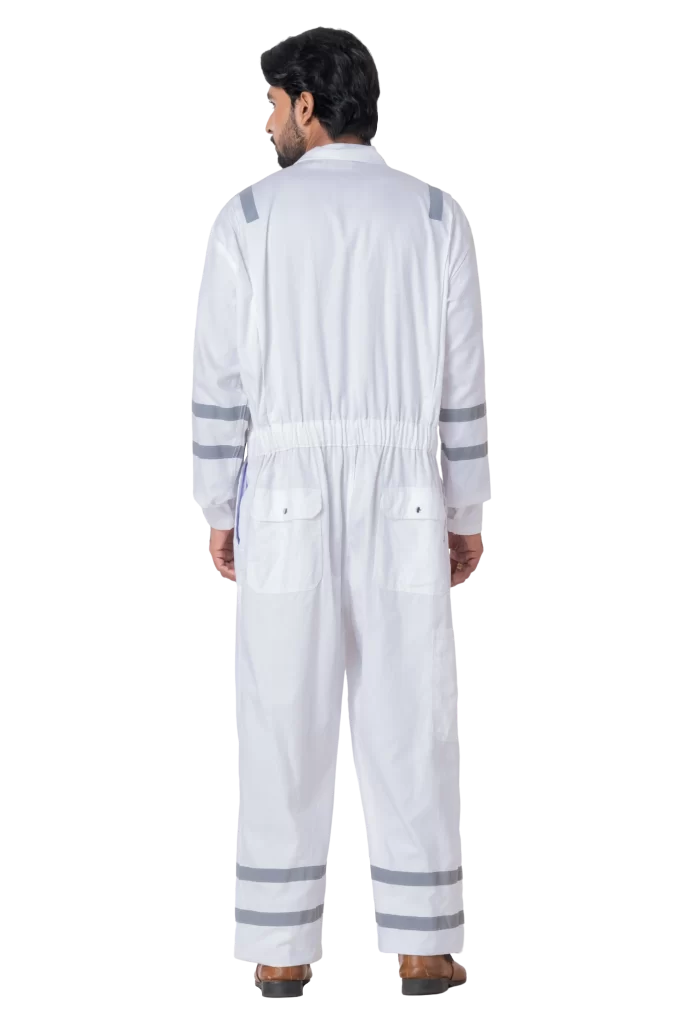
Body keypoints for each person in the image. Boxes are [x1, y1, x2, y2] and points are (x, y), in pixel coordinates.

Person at [190, 25, 491, 1000]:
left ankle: (281, 948)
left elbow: (219, 382)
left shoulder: (247, 218)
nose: (266, 121)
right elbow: (461, 387)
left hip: (282, 494)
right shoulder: (436, 215)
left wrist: (217, 502)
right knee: (412, 713)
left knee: (281, 713)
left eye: (273, 104)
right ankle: (421, 947)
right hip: (405, 491)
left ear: (308, 106)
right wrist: (464, 507)